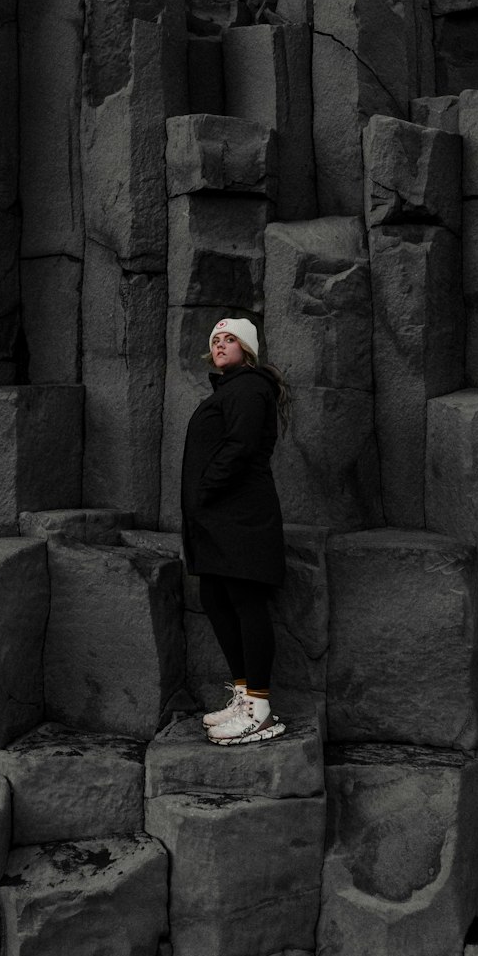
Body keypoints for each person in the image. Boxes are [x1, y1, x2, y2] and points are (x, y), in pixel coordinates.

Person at [180, 316, 289, 745]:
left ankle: (259, 709)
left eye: (230, 339)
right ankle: (244, 694)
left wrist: (206, 487)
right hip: (218, 517)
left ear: (248, 349)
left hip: (241, 515)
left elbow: (241, 446)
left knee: (245, 600)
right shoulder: (231, 389)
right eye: (216, 340)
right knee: (215, 596)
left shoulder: (249, 387)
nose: (221, 345)